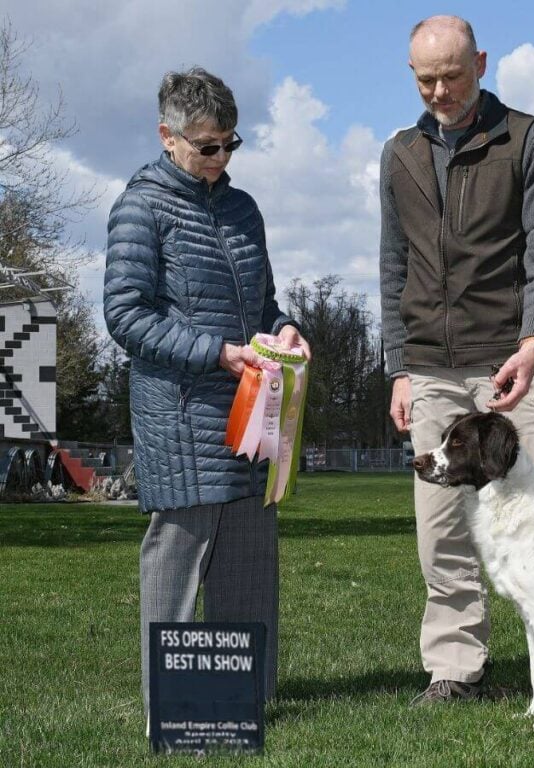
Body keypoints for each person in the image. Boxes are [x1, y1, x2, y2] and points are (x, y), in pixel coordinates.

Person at [379, 15, 534, 703]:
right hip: (430, 369)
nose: (438, 91)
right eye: (425, 78)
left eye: (452, 75)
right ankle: (456, 669)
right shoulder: (397, 155)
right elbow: (392, 266)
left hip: (517, 370)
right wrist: (399, 366)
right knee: (442, 537)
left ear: (482, 63)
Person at [103, 67, 310, 726]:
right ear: (168, 137)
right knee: (177, 563)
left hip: (253, 416)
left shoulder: (245, 210)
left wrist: (285, 332)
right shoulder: (140, 208)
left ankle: (243, 703)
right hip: (184, 420)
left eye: (230, 145)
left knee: (250, 562)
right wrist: (216, 352)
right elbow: (126, 315)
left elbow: (264, 304)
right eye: (206, 147)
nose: (220, 160)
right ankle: (170, 706)